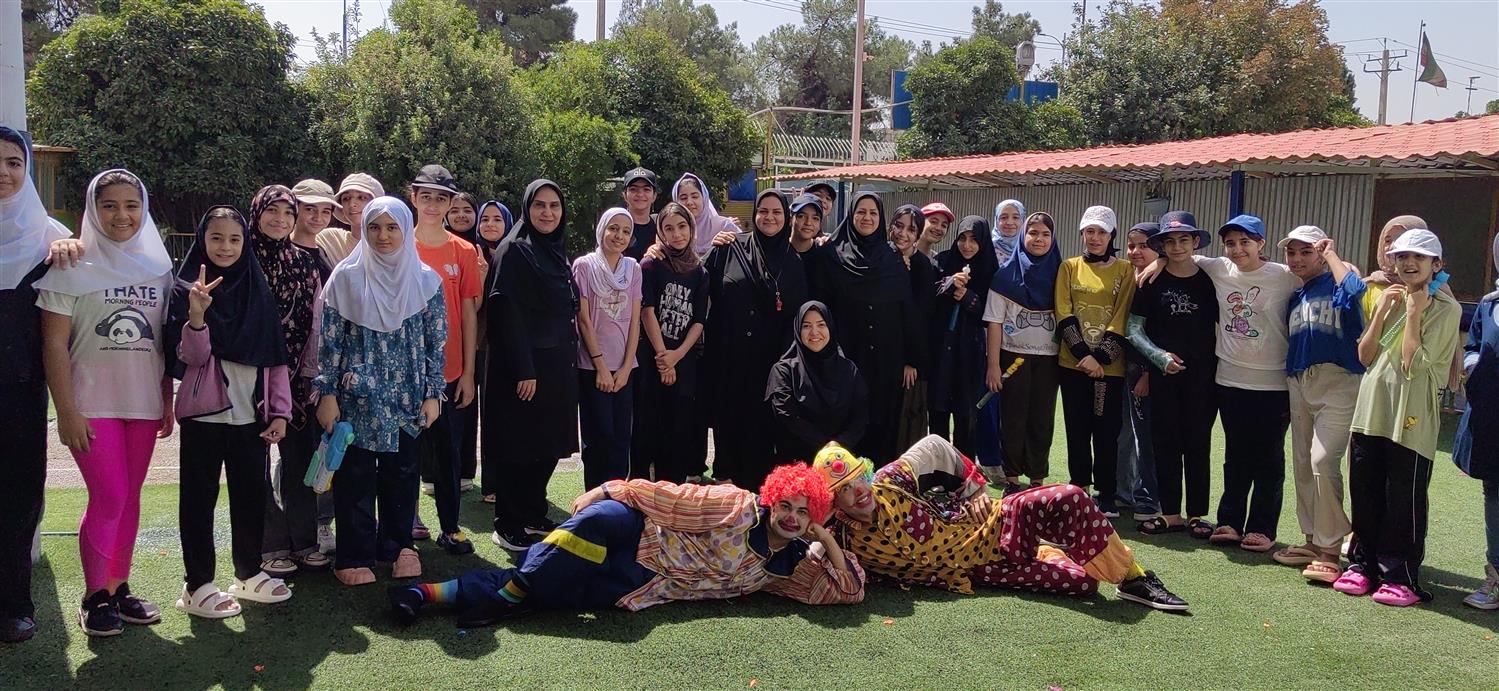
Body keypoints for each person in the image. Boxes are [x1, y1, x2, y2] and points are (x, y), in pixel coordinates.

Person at [388, 464, 865, 626]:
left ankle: (426, 594)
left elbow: (848, 589)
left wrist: (825, 538)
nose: (792, 518)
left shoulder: (788, 568)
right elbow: (673, 497)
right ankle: (512, 596)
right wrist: (606, 489)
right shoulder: (738, 506)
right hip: (639, 531)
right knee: (596, 519)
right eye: (787, 505)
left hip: (643, 580)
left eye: (804, 512)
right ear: (772, 499)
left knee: (555, 586)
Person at [816, 436, 1188, 610]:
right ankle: (1052, 550)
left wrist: (975, 488)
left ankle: (1134, 579)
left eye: (857, 479)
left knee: (1069, 497)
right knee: (1085, 584)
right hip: (984, 570)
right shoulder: (842, 538)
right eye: (843, 490)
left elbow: (935, 445)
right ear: (833, 504)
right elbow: (803, 554)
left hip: (994, 523)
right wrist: (817, 527)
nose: (857, 492)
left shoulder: (889, 481)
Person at [36, 169, 174, 636]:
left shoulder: (159, 268)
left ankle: (117, 588)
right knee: (109, 495)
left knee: (130, 497)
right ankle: (94, 595)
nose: (121, 215)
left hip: (143, 404)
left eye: (131, 206)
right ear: (93, 210)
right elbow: (54, 344)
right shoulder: (70, 264)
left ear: (144, 209)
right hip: (90, 405)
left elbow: (162, 342)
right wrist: (66, 410)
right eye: (109, 205)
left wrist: (165, 399)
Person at [166, 206, 294, 617]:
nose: (225, 246)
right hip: (204, 418)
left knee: (251, 497)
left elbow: (275, 357)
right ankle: (197, 585)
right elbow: (189, 358)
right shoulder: (185, 289)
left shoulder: (257, 290)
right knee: (198, 500)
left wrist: (280, 412)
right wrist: (197, 316)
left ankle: (249, 572)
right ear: (202, 240)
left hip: (249, 418)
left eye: (234, 239)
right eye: (216, 238)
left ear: (245, 243)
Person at [315, 196, 446, 586]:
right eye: (374, 227)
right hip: (357, 398)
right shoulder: (346, 277)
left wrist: (433, 393)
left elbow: (435, 343)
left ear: (405, 230)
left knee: (402, 473)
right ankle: (353, 555)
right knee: (355, 475)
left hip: (407, 397)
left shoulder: (426, 281)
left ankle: (398, 547)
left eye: (392, 228)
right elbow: (330, 342)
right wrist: (327, 393)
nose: (383, 236)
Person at [1336, 229, 1459, 607]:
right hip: (1371, 410)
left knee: (1403, 497)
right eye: (1402, 256)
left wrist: (1414, 313)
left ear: (1436, 264)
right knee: (1365, 490)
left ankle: (1399, 576)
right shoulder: (1390, 297)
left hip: (1411, 414)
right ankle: (1362, 565)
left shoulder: (1445, 308)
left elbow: (1412, 364)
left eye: (1418, 257)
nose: (1408, 263)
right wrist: (1382, 313)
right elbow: (1365, 355)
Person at [0, 125, 70, 643]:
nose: (3, 173)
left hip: (21, 395)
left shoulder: (52, 240)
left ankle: (13, 605)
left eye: (13, 163)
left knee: (19, 496)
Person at [485, 180, 580, 551]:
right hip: (524, 368)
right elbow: (506, 313)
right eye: (539, 205)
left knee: (548, 443)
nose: (547, 212)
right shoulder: (514, 251)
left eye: (554, 205)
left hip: (557, 364)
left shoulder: (554, 250)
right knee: (520, 446)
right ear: (526, 209)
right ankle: (508, 522)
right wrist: (524, 368)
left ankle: (533, 512)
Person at [701, 189, 808, 488]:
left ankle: (758, 498)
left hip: (769, 364)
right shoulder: (729, 247)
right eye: (763, 211)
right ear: (755, 214)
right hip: (728, 358)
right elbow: (697, 283)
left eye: (777, 212)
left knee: (761, 435)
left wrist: (784, 367)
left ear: (786, 217)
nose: (769, 217)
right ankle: (725, 494)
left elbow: (796, 317)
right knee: (728, 428)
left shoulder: (794, 262)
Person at [246, 185, 327, 578]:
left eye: (287, 213)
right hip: (248, 379)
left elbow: (316, 321)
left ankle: (304, 542)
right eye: (272, 211)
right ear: (257, 213)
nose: (280, 220)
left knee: (299, 461)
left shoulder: (303, 261)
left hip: (296, 379)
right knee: (254, 464)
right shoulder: (241, 258)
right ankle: (270, 544)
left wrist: (311, 373)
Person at [1276, 226, 1364, 582]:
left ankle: (1330, 549)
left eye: (1306, 251)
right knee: (1303, 463)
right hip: (1300, 380)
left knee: (1322, 460)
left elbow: (1355, 291)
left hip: (1339, 380)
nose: (1297, 259)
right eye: (1292, 252)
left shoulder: (1340, 280)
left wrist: (1331, 255)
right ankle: (1312, 540)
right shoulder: (1296, 296)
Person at [1124, 213, 1217, 538]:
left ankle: (1197, 514)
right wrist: (1158, 357)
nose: (1177, 247)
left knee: (1197, 442)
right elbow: (1133, 329)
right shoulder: (1151, 281)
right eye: (1170, 242)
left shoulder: (1209, 280)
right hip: (1163, 376)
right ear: (1162, 245)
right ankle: (1170, 513)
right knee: (1164, 442)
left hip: (1203, 376)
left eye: (1183, 240)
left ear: (1195, 242)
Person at [813, 192, 919, 463]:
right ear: (851, 215)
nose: (867, 218)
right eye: (861, 211)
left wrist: (911, 358)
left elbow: (906, 309)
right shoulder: (831, 254)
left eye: (873, 212)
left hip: (887, 359)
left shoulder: (893, 257)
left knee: (884, 425)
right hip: (848, 355)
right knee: (848, 422)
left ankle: (879, 485)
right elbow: (822, 305)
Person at [409, 165, 481, 555]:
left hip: (450, 371)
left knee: (448, 454)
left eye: (441, 198)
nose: (433, 205)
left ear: (451, 203)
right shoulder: (398, 243)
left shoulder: (463, 251)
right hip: (404, 371)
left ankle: (451, 528)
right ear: (414, 198)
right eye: (427, 197)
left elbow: (469, 313)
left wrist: (468, 372)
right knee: (404, 455)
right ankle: (402, 529)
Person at [1054, 205, 1135, 518]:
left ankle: (1107, 493)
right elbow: (1063, 311)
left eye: (1102, 232)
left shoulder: (1125, 270)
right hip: (1073, 364)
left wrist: (1100, 357)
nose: (1095, 237)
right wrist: (1084, 355)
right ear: (1082, 233)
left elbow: (1122, 315)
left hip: (1108, 368)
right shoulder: (1069, 267)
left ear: (1112, 235)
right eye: (1090, 231)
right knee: (1076, 428)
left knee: (1106, 431)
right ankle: (1079, 488)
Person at [281, 179, 340, 557]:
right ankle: (295, 539)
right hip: (285, 377)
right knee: (294, 458)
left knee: (324, 454)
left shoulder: (325, 258)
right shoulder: (278, 255)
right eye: (309, 208)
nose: (317, 216)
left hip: (321, 376)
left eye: (325, 210)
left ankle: (317, 528)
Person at [984, 212, 1061, 491]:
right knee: (1012, 417)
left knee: (1042, 418)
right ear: (1023, 236)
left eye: (1045, 234)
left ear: (1053, 239)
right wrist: (993, 365)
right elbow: (994, 322)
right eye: (1033, 233)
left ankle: (1037, 478)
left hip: (1050, 360)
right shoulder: (1004, 276)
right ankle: (1012, 478)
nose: (1038, 239)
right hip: (1012, 357)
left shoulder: (1062, 274)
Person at [632, 202, 708, 483]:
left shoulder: (699, 272)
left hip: (683, 361)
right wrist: (664, 357)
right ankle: (640, 492)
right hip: (651, 358)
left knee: (677, 429)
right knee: (646, 428)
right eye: (669, 228)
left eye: (682, 226)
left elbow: (698, 321)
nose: (677, 234)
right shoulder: (650, 265)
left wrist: (677, 356)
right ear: (660, 232)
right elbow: (647, 311)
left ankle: (672, 491)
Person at [574, 208, 642, 489]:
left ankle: (617, 498)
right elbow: (583, 319)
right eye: (613, 228)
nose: (619, 236)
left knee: (620, 438)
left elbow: (635, 320)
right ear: (601, 229)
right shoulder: (584, 266)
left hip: (624, 369)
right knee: (597, 437)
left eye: (626, 231)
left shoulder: (633, 269)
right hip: (592, 367)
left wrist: (626, 368)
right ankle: (594, 499)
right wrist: (601, 366)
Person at [928, 215, 998, 461]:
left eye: (974, 240)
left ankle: (964, 472)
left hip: (970, 353)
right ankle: (938, 471)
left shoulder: (991, 269)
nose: (967, 245)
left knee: (966, 415)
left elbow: (993, 314)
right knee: (937, 412)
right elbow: (926, 297)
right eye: (962, 238)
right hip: (940, 351)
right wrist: (949, 283)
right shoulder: (943, 261)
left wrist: (970, 298)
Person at [1454, 234, 1499, 609]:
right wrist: (1473, 367)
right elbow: (1473, 346)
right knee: (1494, 495)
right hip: (1490, 418)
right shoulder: (1490, 303)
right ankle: (1495, 576)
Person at [767, 301, 869, 465]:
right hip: (797, 466)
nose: (814, 332)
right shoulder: (784, 371)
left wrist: (839, 445)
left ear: (830, 327)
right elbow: (787, 417)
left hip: (840, 463)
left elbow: (860, 416)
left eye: (821, 324)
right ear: (797, 330)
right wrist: (826, 446)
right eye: (806, 326)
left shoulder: (848, 370)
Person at [1117, 221, 1161, 522]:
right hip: (1120, 366)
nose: (1136, 251)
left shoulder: (1158, 280)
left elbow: (1157, 331)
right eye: (1131, 245)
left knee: (1144, 436)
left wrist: (1147, 372)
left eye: (1144, 246)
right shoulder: (1125, 275)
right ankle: (1123, 491)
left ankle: (1149, 497)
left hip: (1145, 368)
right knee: (1122, 433)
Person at [472, 200, 512, 503]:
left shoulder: (516, 253)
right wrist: (482, 276)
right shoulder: (472, 254)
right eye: (485, 219)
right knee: (487, 415)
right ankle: (492, 484)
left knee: (507, 416)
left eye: (497, 219)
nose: (490, 224)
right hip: (480, 345)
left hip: (511, 345)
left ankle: (512, 480)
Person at [889, 203, 933, 452]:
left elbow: (920, 318)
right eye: (899, 226)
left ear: (917, 235)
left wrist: (911, 360)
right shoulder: (882, 257)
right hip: (880, 353)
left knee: (904, 426)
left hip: (907, 360)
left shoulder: (922, 266)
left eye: (911, 229)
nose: (903, 234)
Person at [317, 173, 384, 265]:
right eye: (346, 198)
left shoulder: (393, 243)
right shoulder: (331, 239)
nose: (352, 204)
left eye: (361, 198)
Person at [671, 173, 739, 257]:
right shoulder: (671, 230)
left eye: (695, 197)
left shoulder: (725, 227)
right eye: (683, 198)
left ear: (704, 199)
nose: (689, 202)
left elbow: (745, 252)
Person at [290, 178, 340, 279]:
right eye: (310, 209)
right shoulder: (285, 254)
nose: (318, 218)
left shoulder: (323, 251)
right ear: (294, 209)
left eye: (325, 212)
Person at [620, 167, 659, 261]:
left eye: (646, 189)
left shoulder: (660, 226)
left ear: (654, 196)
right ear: (625, 195)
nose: (640, 194)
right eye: (633, 189)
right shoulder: (616, 226)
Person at [990, 199, 1024, 266]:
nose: (1009, 222)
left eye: (1015, 217)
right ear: (996, 220)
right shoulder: (987, 249)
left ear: (1023, 220)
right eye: (1004, 217)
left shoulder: (1029, 249)